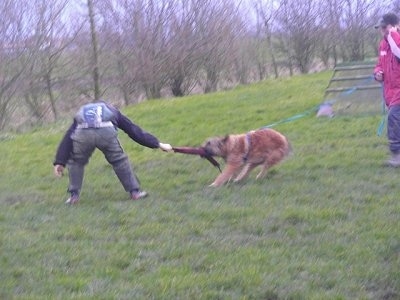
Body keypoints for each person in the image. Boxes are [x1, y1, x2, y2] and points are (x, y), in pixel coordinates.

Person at [53, 101, 173, 204]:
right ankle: (135, 193)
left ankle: (74, 196)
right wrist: (158, 144)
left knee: (76, 162)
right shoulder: (113, 110)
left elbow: (68, 137)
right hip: (106, 131)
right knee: (119, 160)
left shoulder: (82, 111)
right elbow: (134, 131)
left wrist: (60, 162)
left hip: (83, 131)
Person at [374, 13, 400, 167]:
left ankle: (397, 157)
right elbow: (380, 63)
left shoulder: (395, 41)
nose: (382, 31)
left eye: (384, 27)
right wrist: (377, 73)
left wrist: (393, 34)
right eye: (380, 28)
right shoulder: (382, 45)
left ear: (392, 26)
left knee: (393, 118)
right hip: (390, 91)